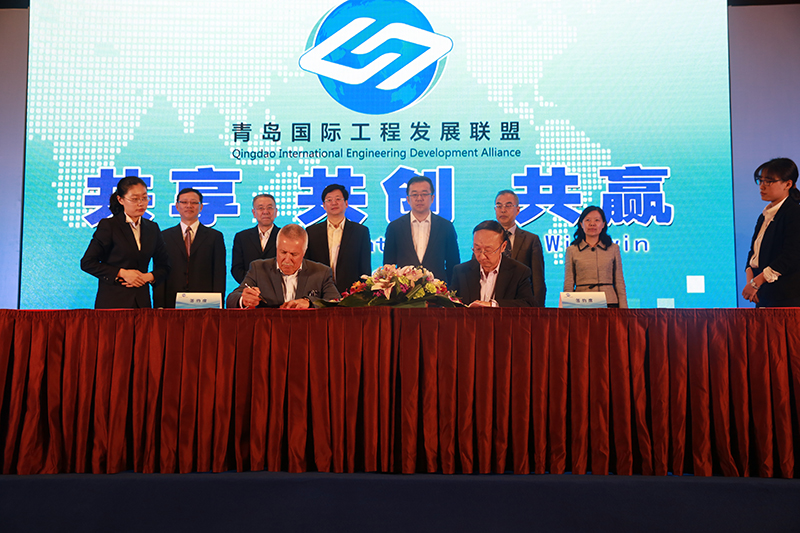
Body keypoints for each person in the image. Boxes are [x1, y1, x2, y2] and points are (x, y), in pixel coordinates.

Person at [80, 176, 170, 309]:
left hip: (142, 303)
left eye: (144, 198)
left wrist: (148, 277)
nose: (141, 203)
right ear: (120, 199)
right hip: (113, 303)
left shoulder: (152, 228)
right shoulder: (109, 226)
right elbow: (87, 263)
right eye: (135, 199)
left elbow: (165, 266)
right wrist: (121, 273)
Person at [226, 224, 340, 309]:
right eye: (283, 252)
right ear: (277, 248)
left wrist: (309, 302)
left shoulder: (321, 272)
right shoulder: (258, 268)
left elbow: (336, 302)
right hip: (269, 330)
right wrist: (244, 299)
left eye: (294, 254)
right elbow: (231, 299)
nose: (287, 259)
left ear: (304, 252)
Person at [153, 188, 226, 308]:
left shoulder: (214, 237)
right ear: (177, 206)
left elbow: (219, 273)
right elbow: (160, 271)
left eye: (194, 202)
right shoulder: (164, 236)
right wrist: (159, 305)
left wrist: (218, 304)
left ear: (201, 207)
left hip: (205, 302)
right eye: (184, 202)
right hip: (171, 301)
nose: (189, 206)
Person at [742, 158, 800, 307]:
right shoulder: (764, 215)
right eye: (760, 181)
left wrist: (756, 283)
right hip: (763, 295)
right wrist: (751, 282)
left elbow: (791, 256)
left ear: (788, 184)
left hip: (786, 299)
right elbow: (754, 253)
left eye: (768, 181)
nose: (762, 186)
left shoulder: (794, 213)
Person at [383, 175, 460, 282]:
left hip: (437, 289)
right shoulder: (395, 227)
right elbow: (388, 265)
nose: (419, 198)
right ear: (408, 199)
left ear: (432, 198)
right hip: (404, 290)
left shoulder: (446, 226)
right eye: (414, 194)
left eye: (424, 194)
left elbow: (453, 263)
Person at [305, 184, 372, 294]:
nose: (334, 203)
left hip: (351, 295)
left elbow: (365, 268)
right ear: (324, 205)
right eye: (329, 200)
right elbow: (307, 266)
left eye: (338, 199)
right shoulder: (311, 232)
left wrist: (362, 294)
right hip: (319, 294)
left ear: (346, 203)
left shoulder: (360, 232)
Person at [450, 220, 535, 307]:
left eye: (488, 250)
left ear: (503, 247)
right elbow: (451, 303)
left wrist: (493, 305)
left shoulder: (519, 272)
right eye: (477, 249)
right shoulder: (461, 271)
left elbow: (527, 304)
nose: (482, 256)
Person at [563, 206, 627, 308]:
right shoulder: (572, 250)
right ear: (581, 224)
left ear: (603, 224)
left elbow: (619, 282)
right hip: (581, 303)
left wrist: (624, 309)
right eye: (588, 220)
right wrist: (567, 308)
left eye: (597, 220)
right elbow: (569, 283)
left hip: (609, 302)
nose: (592, 224)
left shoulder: (613, 248)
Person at [494, 189, 546, 306]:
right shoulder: (485, 239)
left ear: (517, 210)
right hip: (491, 302)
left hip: (520, 304)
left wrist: (538, 309)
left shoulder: (531, 240)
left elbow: (538, 281)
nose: (503, 210)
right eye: (499, 206)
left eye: (508, 206)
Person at [231, 194, 280, 284]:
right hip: (249, 289)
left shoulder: (285, 236)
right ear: (254, 213)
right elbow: (237, 269)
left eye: (269, 208)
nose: (265, 212)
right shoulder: (242, 237)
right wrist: (251, 284)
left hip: (278, 289)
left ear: (276, 212)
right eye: (261, 208)